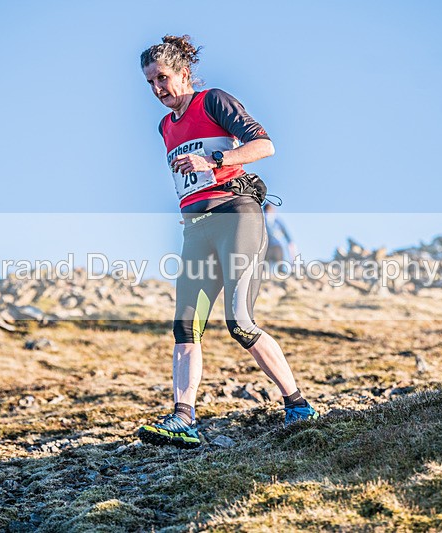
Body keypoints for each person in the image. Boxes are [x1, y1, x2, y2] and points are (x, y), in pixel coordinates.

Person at [137, 35, 318, 449]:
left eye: (163, 78)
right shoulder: (165, 127)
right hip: (195, 228)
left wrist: (214, 160)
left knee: (239, 322)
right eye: (150, 83)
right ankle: (183, 418)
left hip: (236, 216)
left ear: (184, 73)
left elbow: (265, 145)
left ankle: (298, 404)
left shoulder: (213, 101)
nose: (157, 89)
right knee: (185, 327)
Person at [264, 203, 298, 274]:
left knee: (280, 269)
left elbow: (289, 239)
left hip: (277, 247)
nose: (268, 213)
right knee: (264, 269)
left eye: (269, 211)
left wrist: (293, 258)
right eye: (266, 211)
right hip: (266, 248)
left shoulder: (278, 222)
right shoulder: (263, 221)